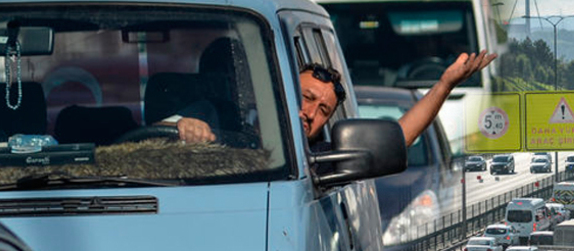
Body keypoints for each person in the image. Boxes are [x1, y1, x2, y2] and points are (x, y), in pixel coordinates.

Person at [174, 50, 496, 148]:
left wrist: (445, 84)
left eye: (324, 110)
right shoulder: (216, 116)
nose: (310, 112)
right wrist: (183, 126)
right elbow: (152, 137)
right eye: (305, 97)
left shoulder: (320, 159)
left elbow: (398, 137)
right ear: (279, 91)